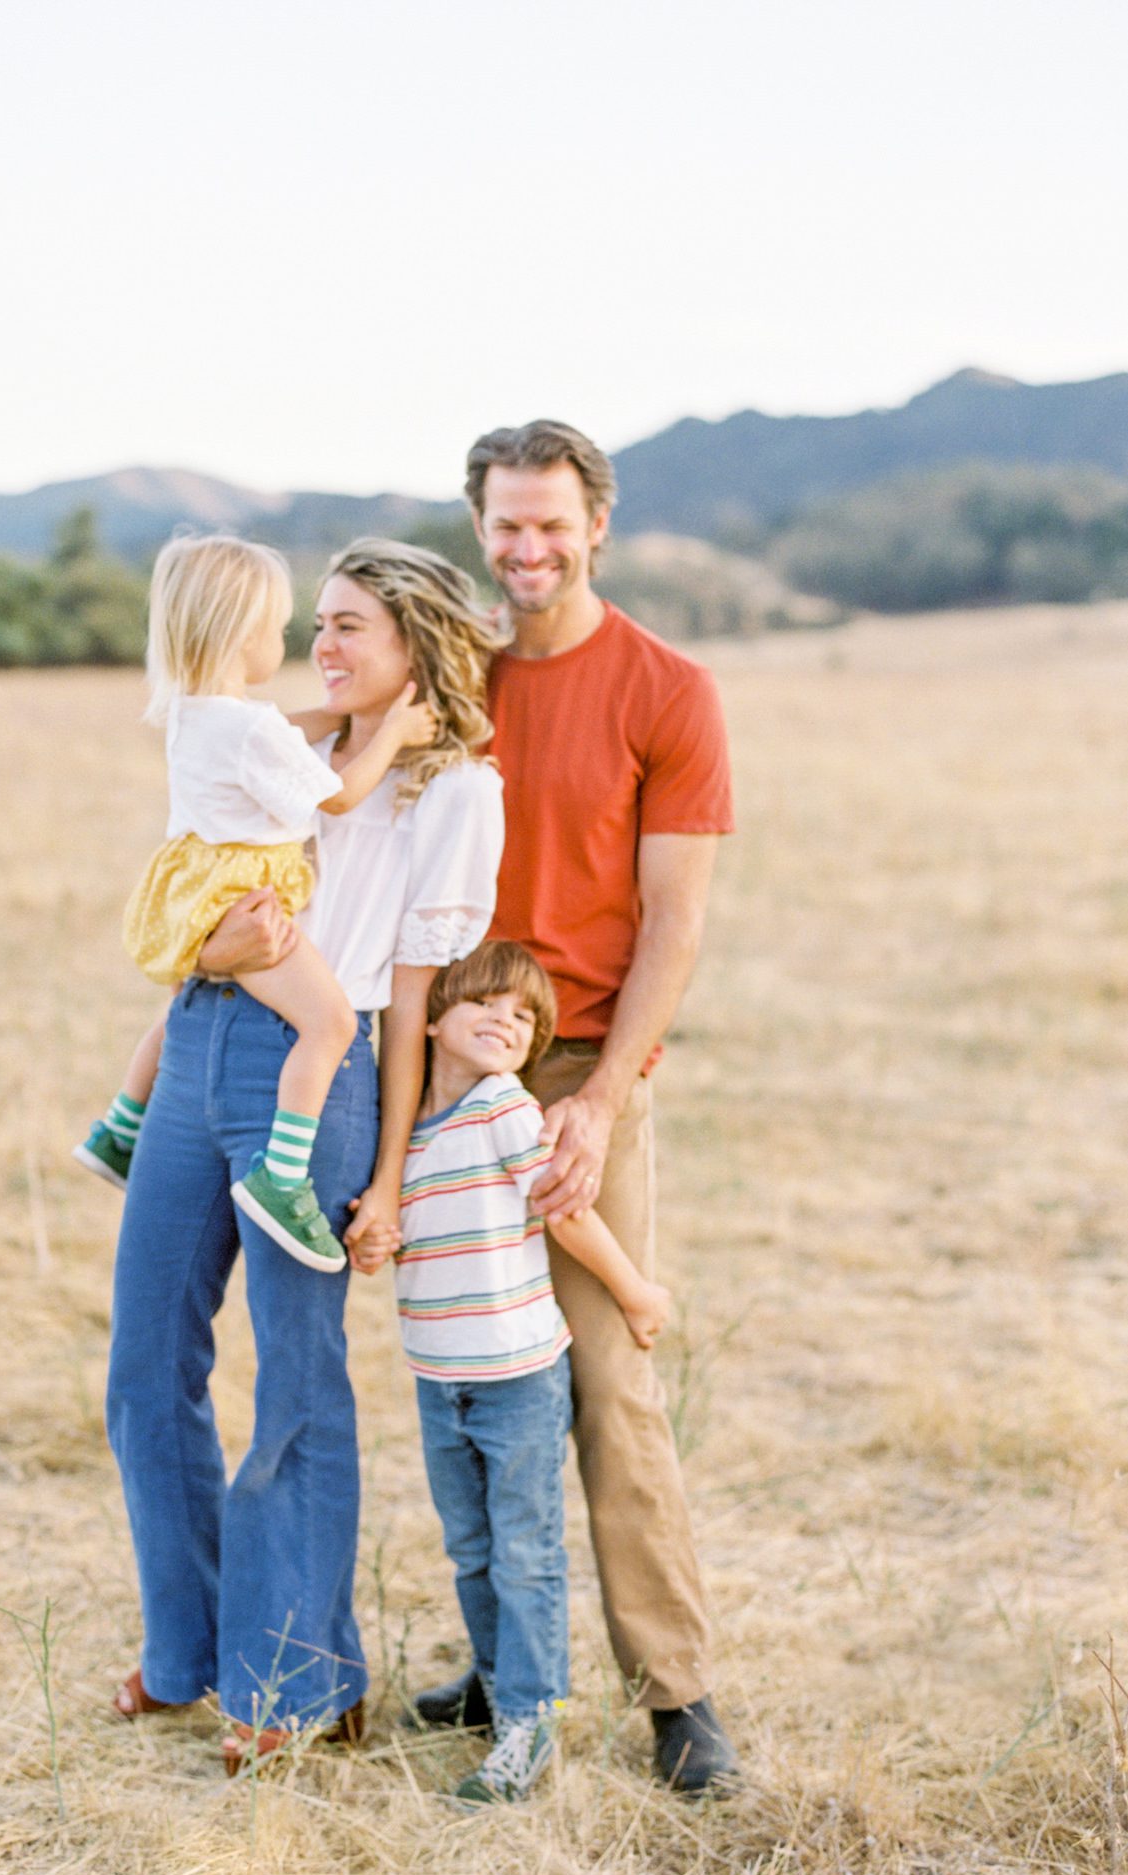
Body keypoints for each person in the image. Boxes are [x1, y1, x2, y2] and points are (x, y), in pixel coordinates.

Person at [104, 537, 504, 1773]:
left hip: (319, 1087)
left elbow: (408, 990)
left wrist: (385, 1176)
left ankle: (300, 1677)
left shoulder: (449, 791)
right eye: (316, 622)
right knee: (142, 1367)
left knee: (294, 1382)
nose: (323, 647)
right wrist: (171, 1022)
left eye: (351, 629)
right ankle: (189, 1652)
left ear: (414, 649)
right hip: (203, 1045)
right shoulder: (272, 745)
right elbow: (201, 916)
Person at [406, 421, 741, 1795]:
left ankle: (679, 1698)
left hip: (583, 1066)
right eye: (505, 524)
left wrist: (602, 1099)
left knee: (606, 1380)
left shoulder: (669, 689)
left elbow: (675, 920)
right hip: (444, 1071)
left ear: (597, 525)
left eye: (552, 523)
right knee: (473, 1374)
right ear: (478, 526)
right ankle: (502, 1663)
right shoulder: (456, 680)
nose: (528, 548)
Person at [74, 532, 433, 1271]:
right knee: (329, 1023)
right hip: (249, 898)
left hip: (192, 888)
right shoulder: (251, 728)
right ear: (242, 636)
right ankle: (282, 1175)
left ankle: (119, 1125)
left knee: (178, 1005)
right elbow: (336, 797)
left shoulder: (192, 712)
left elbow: (275, 735)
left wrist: (330, 720)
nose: (285, 643)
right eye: (278, 629)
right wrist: (392, 732)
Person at [398, 941, 670, 1804]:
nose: (503, 1022)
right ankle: (490, 1682)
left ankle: (527, 1720)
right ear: (432, 1018)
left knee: (522, 1550)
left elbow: (569, 1216)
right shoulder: (405, 1128)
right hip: (438, 1377)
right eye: (483, 1002)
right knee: (471, 1548)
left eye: (524, 1018)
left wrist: (634, 1293)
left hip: (515, 1374)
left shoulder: (505, 1111)